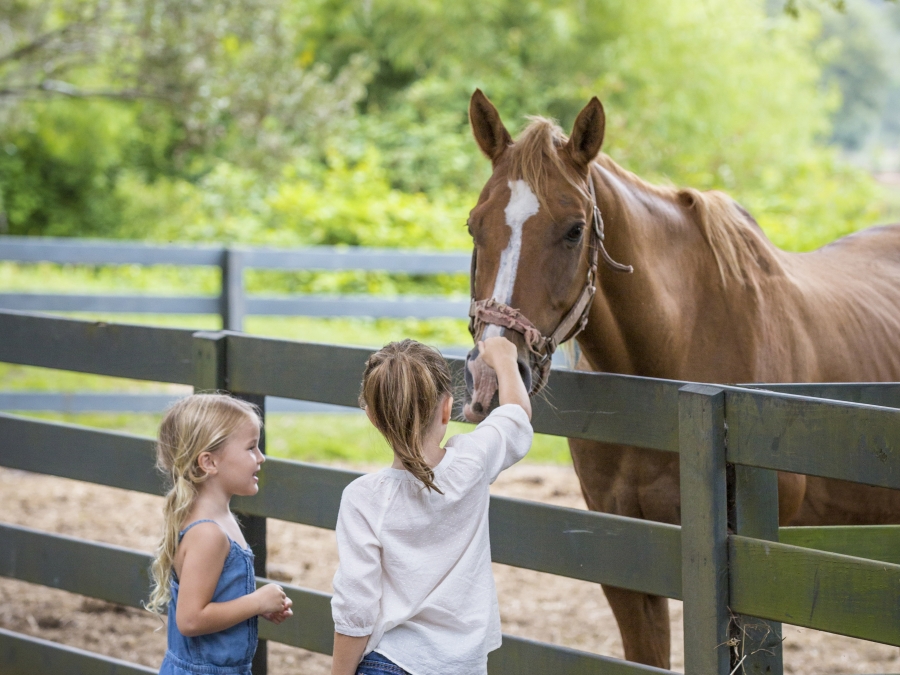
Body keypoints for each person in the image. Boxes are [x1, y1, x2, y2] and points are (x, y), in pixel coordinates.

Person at [331, 336, 533, 675]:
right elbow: (516, 416)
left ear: (373, 417)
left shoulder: (362, 498)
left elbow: (356, 608)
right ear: (446, 408)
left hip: (389, 662)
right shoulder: (473, 462)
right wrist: (505, 359)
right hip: (462, 665)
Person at [146, 393, 293, 675]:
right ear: (209, 462)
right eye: (251, 448)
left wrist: (254, 608)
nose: (261, 457)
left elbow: (212, 600)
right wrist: (255, 601)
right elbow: (190, 620)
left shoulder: (220, 519)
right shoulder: (208, 534)